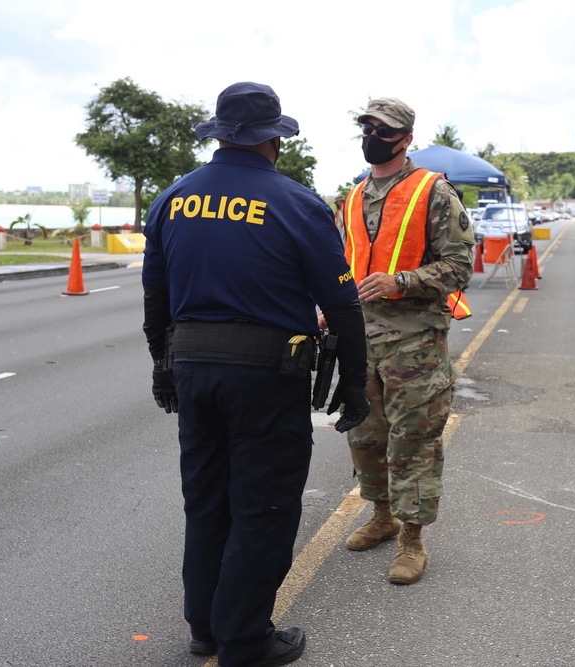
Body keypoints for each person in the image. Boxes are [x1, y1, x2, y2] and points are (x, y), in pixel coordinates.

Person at [142, 81, 370, 667]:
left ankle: (205, 628)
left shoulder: (173, 199)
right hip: (267, 378)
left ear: (219, 136)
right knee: (263, 506)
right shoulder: (298, 204)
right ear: (276, 140)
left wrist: (162, 367)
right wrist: (353, 379)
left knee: (207, 499)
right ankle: (244, 638)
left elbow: (155, 297)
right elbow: (341, 304)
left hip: (193, 369)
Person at [339, 97, 474, 585]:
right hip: (361, 339)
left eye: (382, 128)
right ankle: (381, 515)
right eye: (367, 126)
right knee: (365, 435)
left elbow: (461, 266)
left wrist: (403, 281)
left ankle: (412, 540)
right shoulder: (352, 197)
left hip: (414, 343)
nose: (372, 134)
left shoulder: (433, 193)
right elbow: (342, 264)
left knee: (413, 441)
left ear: (405, 139)